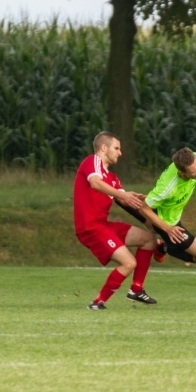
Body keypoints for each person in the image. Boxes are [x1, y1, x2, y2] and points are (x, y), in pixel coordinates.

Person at [74, 131, 158, 308]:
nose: (120, 153)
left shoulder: (112, 178)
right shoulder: (92, 162)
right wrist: (123, 195)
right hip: (91, 228)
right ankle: (97, 303)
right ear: (104, 148)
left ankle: (136, 289)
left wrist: (150, 212)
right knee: (129, 263)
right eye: (117, 148)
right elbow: (95, 183)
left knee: (149, 240)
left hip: (104, 225)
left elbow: (124, 198)